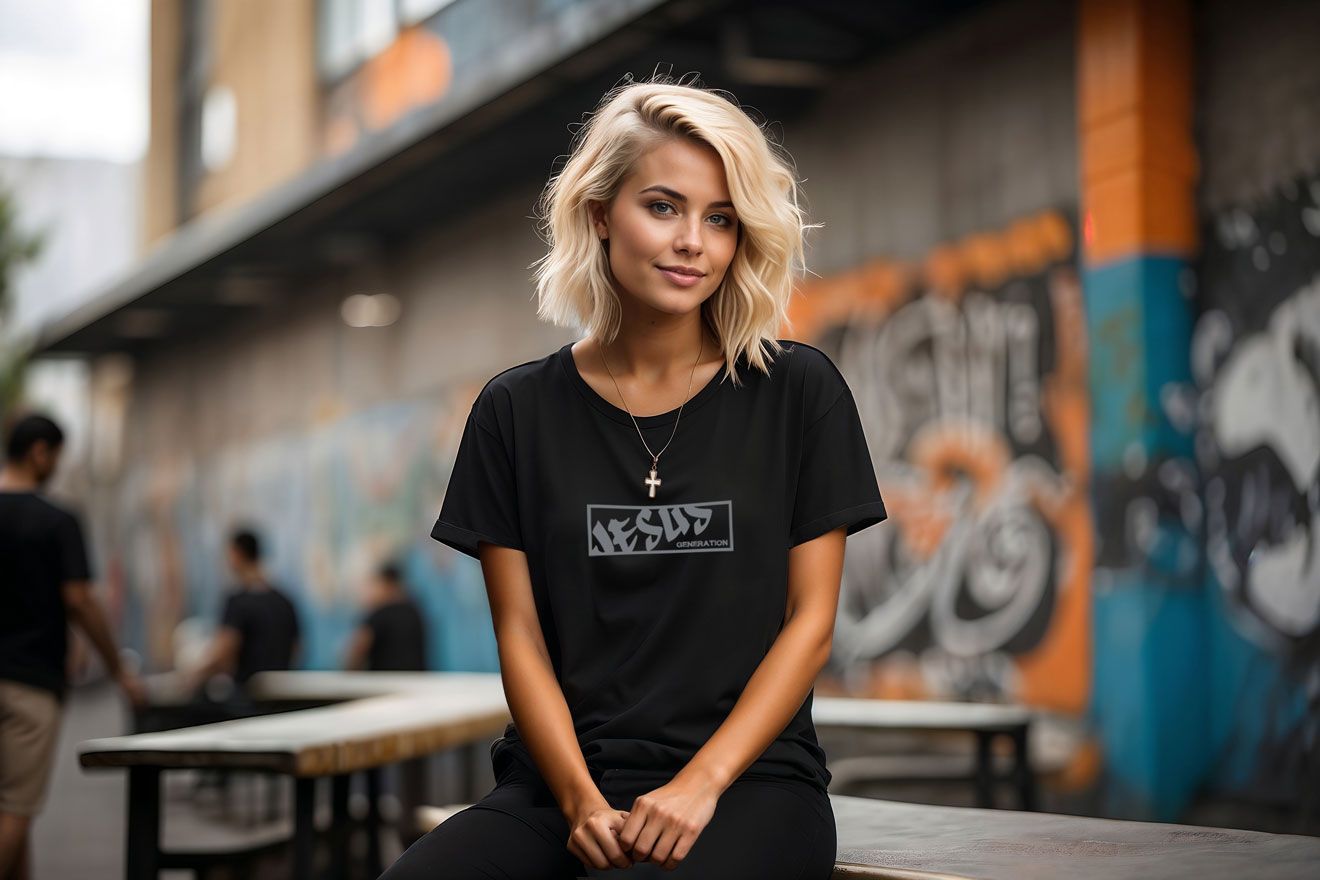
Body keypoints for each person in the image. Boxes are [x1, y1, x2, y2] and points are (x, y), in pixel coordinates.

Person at [385, 74, 887, 879]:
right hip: (559, 790)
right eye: (663, 206)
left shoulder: (797, 392)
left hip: (748, 784)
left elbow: (811, 622)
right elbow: (520, 635)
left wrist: (699, 784)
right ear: (598, 214)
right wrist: (581, 800)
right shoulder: (515, 412)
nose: (694, 240)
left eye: (720, 219)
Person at [0, 413, 146, 880]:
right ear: (40, 451)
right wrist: (117, 664)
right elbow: (80, 599)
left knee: (6, 808)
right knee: (15, 810)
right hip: (30, 684)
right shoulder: (57, 519)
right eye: (56, 455)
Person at [189, 528, 301, 696]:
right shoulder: (284, 601)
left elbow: (224, 651)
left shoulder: (238, 602)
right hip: (281, 699)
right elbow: (297, 648)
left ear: (236, 554)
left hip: (248, 700)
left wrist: (191, 677)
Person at [343, 561, 428, 672]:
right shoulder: (416, 612)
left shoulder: (380, 614)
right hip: (414, 683)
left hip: (384, 684)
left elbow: (359, 647)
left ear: (386, 584)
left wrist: (349, 674)